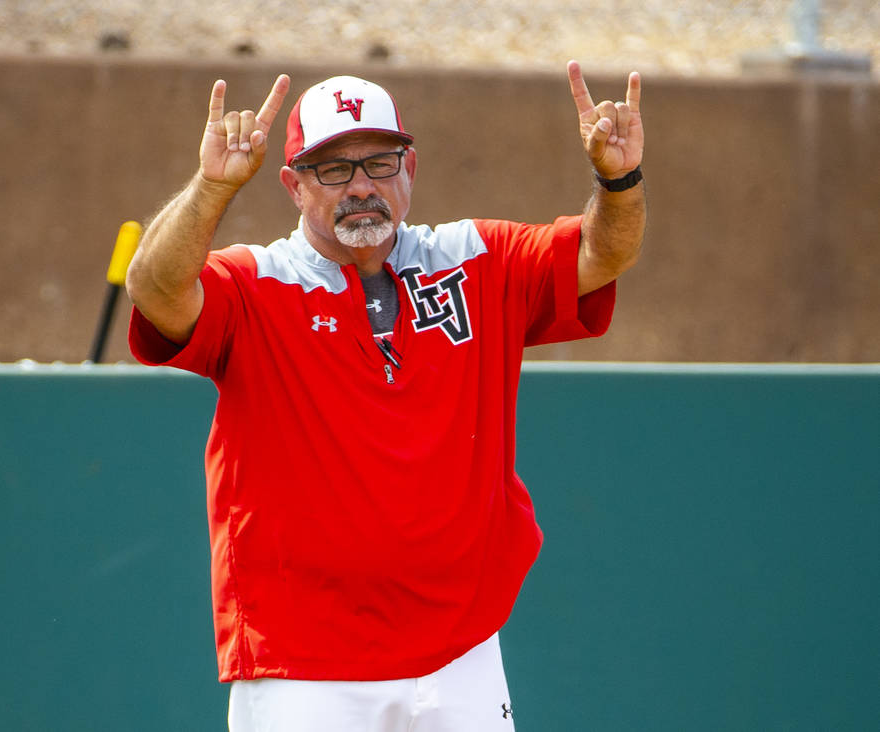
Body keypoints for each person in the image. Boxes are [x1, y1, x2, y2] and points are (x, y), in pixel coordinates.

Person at [126, 62, 645, 731]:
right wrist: (211, 188)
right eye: (335, 169)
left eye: (380, 162)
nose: (362, 186)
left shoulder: (476, 257)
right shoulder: (256, 283)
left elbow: (604, 254)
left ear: (411, 168)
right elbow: (156, 289)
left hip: (458, 653)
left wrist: (618, 179)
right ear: (294, 185)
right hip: (302, 664)